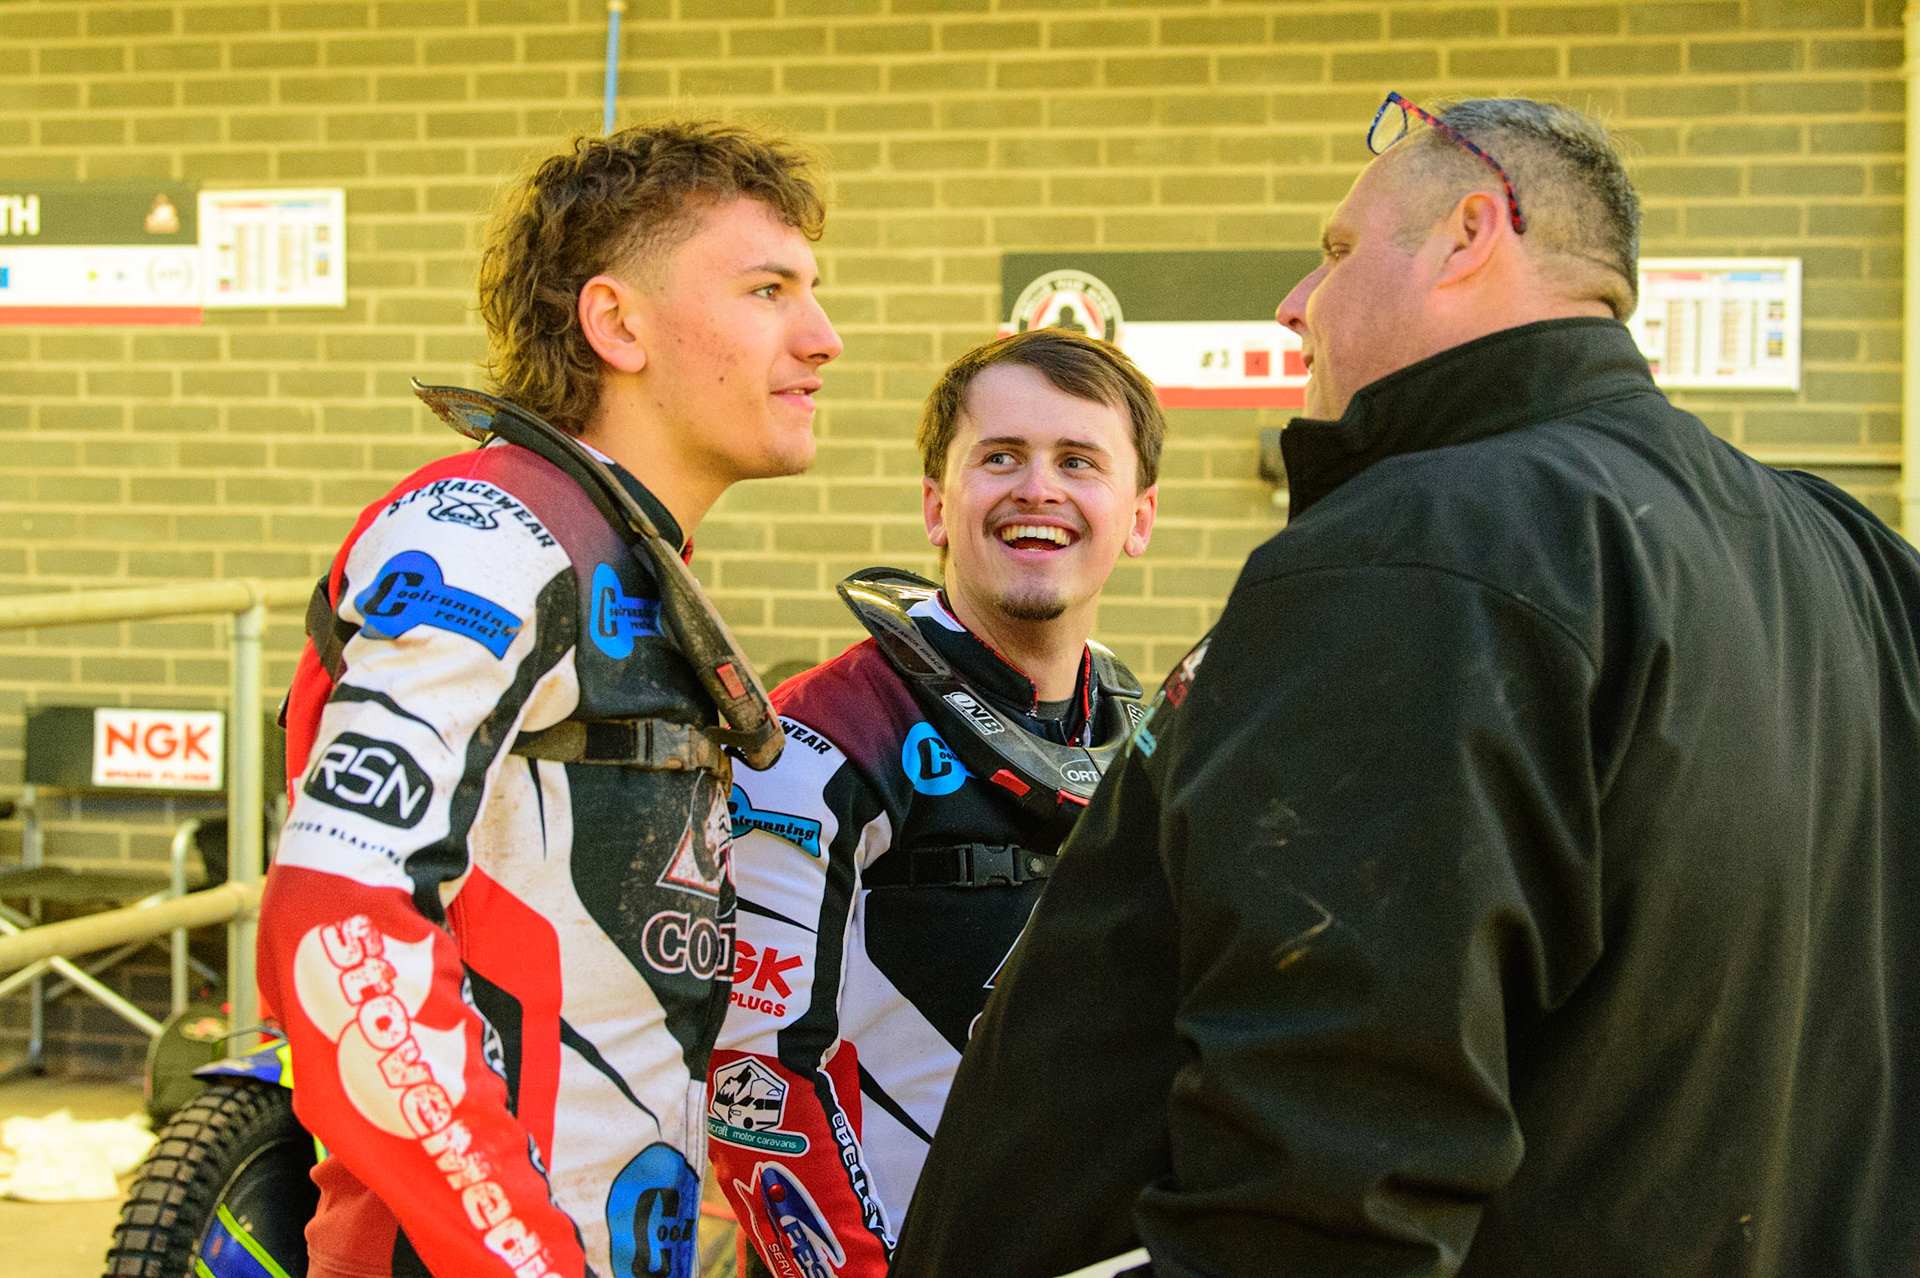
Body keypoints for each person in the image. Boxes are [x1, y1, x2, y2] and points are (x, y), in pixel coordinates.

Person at [893, 95, 1920, 1278]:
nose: (1292, 307)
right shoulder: (1858, 558)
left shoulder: (1411, 552)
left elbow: (1325, 1172)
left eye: (1333, 254)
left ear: (1470, 234)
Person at [256, 120, 841, 1278]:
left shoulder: (617, 549)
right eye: (769, 290)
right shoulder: (489, 534)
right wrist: (522, 1255)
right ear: (617, 324)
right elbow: (338, 926)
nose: (823, 339)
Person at [706, 327, 1161, 1276]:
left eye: (1079, 461)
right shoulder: (819, 737)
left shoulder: (1143, 735)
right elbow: (755, 1081)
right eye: (1001, 458)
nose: (1039, 488)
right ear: (936, 506)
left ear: (1139, 517)